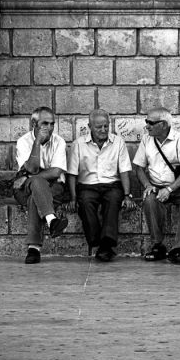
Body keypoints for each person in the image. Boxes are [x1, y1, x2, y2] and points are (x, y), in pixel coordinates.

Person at [65, 109, 137, 262]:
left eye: (106, 126)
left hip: (112, 185)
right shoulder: (78, 144)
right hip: (87, 185)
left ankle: (106, 245)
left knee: (113, 200)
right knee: (84, 202)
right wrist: (72, 198)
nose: (103, 130)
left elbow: (124, 171)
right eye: (99, 127)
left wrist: (127, 195)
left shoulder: (118, 142)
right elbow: (72, 174)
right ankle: (97, 242)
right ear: (89, 126)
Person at [133, 107, 180, 265]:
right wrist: (147, 185)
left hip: (178, 186)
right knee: (148, 201)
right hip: (155, 184)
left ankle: (179, 249)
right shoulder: (147, 140)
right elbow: (139, 167)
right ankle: (157, 246)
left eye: (151, 123)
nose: (147, 126)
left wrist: (169, 189)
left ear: (164, 124)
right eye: (146, 122)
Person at [12, 106, 69, 264]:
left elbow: (56, 172)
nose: (49, 128)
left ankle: (33, 249)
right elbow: (32, 167)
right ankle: (52, 220)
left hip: (51, 187)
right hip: (26, 187)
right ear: (34, 124)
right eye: (45, 124)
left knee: (35, 196)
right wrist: (37, 142)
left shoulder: (59, 142)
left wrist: (29, 177)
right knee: (36, 184)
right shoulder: (23, 141)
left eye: (52, 124)